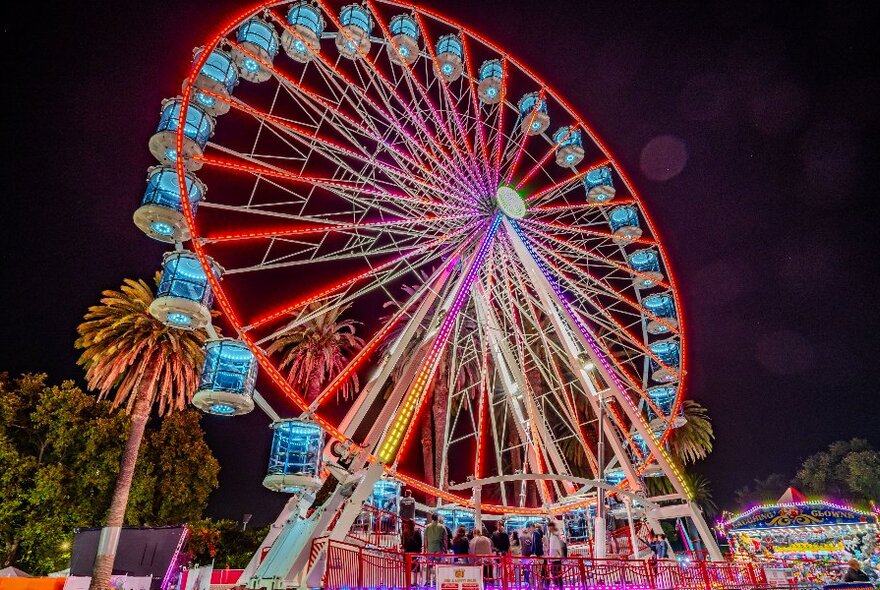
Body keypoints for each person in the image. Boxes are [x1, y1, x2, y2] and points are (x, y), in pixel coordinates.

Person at [401, 519, 423, 584]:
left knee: (408, 568)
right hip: (416, 553)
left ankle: (408, 582)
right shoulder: (417, 532)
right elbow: (420, 543)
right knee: (416, 568)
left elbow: (403, 544)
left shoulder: (404, 533)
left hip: (407, 553)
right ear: (414, 525)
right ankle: (415, 582)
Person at [546, 521, 565, 590]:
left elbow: (556, 548)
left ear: (552, 527)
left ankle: (559, 587)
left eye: (549, 527)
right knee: (555, 574)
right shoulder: (552, 535)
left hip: (556, 558)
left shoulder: (555, 535)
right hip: (554, 558)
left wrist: (556, 555)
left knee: (557, 575)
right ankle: (558, 586)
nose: (549, 529)